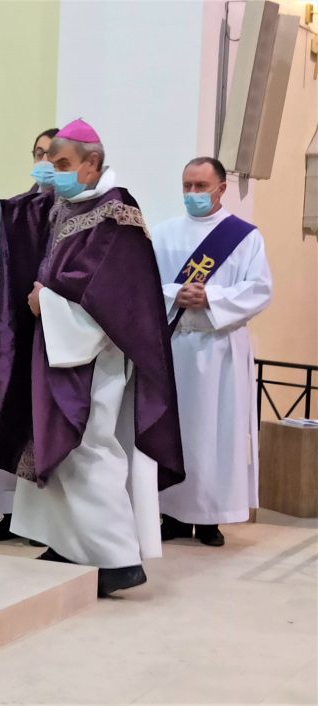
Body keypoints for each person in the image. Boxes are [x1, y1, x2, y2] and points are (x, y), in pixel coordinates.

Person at [0, 118, 184, 596]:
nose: (51, 170)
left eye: (61, 163)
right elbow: (14, 218)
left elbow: (117, 290)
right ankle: (68, 542)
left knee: (88, 448)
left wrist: (52, 302)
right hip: (59, 348)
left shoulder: (116, 212)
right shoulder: (67, 205)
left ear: (91, 163)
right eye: (47, 160)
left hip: (94, 353)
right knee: (53, 448)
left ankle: (117, 558)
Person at [152, 157, 273, 547]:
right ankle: (170, 513)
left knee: (214, 434)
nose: (193, 194)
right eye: (187, 186)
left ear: (220, 189)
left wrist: (211, 297)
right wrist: (176, 294)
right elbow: (143, 285)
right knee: (177, 432)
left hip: (220, 349)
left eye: (201, 187)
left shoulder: (244, 237)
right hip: (174, 346)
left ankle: (209, 519)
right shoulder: (165, 233)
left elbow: (260, 289)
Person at [0, 127, 59, 542]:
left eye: (52, 154)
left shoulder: (72, 208)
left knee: (42, 423)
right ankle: (10, 514)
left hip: (53, 329)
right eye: (38, 153)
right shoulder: (17, 209)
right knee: (7, 416)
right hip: (14, 324)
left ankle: (42, 519)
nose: (44, 161)